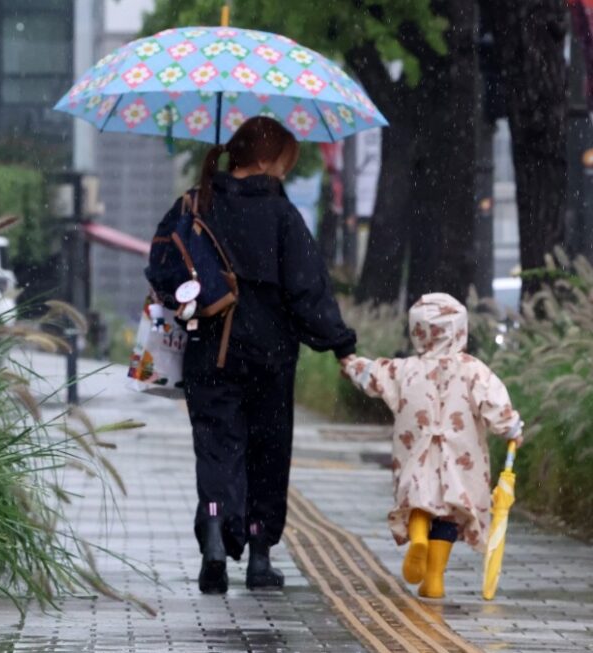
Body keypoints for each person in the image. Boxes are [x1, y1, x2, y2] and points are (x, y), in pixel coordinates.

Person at [175, 117, 357, 594]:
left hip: (208, 350)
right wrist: (340, 342)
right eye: (283, 160)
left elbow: (164, 267)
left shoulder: (195, 204)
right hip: (269, 355)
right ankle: (258, 555)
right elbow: (307, 289)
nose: (284, 170)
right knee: (267, 452)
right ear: (264, 158)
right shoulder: (280, 214)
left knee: (216, 449)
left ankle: (214, 534)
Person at [341, 293, 523, 598]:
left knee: (419, 499)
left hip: (416, 451)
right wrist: (512, 428)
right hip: (460, 455)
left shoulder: (404, 369)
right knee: (451, 512)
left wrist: (350, 364)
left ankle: (418, 539)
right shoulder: (474, 370)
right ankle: (435, 578)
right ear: (460, 329)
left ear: (417, 331)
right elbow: (495, 404)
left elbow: (373, 375)